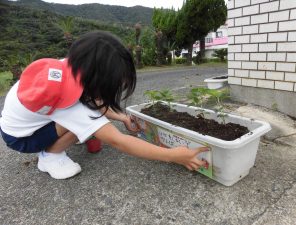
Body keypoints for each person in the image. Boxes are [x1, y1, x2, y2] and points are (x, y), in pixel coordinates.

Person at [0, 31, 208, 179]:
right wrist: (173, 155)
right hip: (21, 139)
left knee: (89, 116)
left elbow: (92, 102)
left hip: (21, 123)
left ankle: (58, 140)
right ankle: (49, 157)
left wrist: (123, 117)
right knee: (89, 121)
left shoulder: (73, 68)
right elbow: (119, 141)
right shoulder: (70, 105)